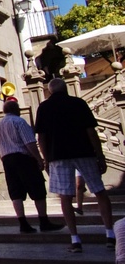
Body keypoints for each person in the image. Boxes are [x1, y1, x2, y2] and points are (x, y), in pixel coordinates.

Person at [34, 77, 116, 253]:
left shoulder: (44, 107)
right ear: (66, 89)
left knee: (65, 197)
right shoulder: (79, 103)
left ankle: (75, 239)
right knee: (99, 191)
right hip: (84, 152)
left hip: (58, 155)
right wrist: (100, 155)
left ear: (50, 91)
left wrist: (46, 159)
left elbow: (41, 137)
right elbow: (91, 131)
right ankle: (110, 234)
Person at [0, 100, 63, 233]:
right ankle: (43, 220)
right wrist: (39, 159)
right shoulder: (19, 122)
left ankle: (23, 223)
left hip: (7, 159)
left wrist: (5, 160)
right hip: (23, 158)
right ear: (16, 109)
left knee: (15, 192)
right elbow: (29, 142)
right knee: (37, 188)